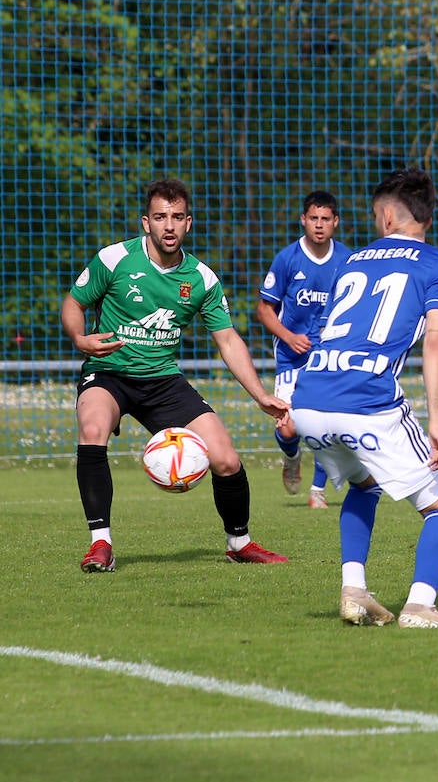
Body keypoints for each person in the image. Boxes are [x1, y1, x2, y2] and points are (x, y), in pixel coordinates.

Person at [61, 178, 290, 572]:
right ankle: (101, 545)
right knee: (93, 428)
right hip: (109, 372)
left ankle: (239, 542)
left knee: (227, 459)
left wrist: (260, 395)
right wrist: (80, 339)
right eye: (160, 217)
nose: (169, 225)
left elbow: (229, 340)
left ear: (189, 223)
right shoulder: (116, 259)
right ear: (145, 222)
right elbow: (73, 302)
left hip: (163, 379)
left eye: (177, 217)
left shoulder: (201, 278)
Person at [288, 168, 438, 628]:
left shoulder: (351, 261)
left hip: (309, 398)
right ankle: (421, 606)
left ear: (387, 215)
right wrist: (436, 419)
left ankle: (354, 590)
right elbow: (435, 340)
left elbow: (327, 333)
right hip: (365, 401)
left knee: (364, 485)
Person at [256, 190, 348, 508]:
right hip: (290, 356)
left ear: (335, 222)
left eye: (325, 219)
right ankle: (292, 457)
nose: (319, 225)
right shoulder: (287, 258)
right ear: (303, 220)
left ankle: (317, 491)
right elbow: (265, 310)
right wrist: (289, 336)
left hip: (328, 355)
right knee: (290, 427)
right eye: (313, 218)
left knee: (326, 421)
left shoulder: (347, 260)